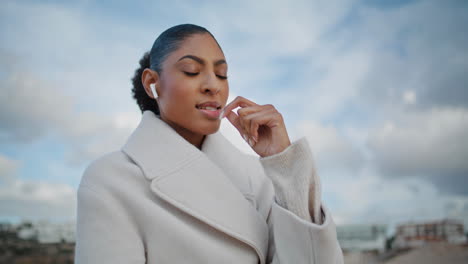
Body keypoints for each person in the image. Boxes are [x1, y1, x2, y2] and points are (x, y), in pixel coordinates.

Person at [74, 24, 344, 264]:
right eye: (192, 71)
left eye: (222, 73)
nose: (213, 85)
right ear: (152, 83)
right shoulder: (109, 181)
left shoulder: (259, 176)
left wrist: (284, 162)